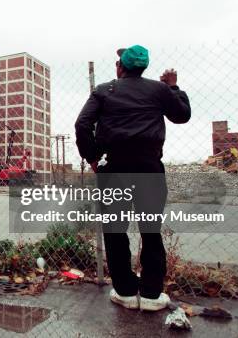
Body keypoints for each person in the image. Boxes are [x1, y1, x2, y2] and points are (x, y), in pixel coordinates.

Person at [74, 45, 191, 311]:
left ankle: (125, 292)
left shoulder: (105, 90)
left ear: (120, 67)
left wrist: (92, 157)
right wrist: (173, 86)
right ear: (144, 67)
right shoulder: (159, 90)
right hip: (149, 168)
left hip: (114, 169)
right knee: (151, 231)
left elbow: (82, 124)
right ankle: (150, 295)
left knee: (116, 231)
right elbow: (182, 115)